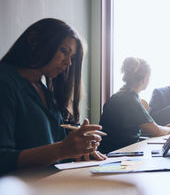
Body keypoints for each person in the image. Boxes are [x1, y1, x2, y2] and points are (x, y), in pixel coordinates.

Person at [0, 18, 106, 175]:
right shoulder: (5, 82)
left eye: (72, 57)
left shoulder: (43, 89)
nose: (69, 63)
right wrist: (62, 149)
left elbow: (48, 145)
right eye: (64, 51)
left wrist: (79, 148)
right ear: (34, 41)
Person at [99, 57, 170, 153]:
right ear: (144, 79)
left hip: (108, 149)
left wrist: (164, 128)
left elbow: (141, 127)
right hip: (119, 153)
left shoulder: (119, 95)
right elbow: (156, 131)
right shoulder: (131, 100)